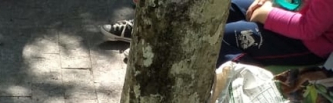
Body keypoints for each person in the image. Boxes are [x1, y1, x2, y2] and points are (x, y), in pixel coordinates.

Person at [102, 0, 333, 67]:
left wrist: (267, 15)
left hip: (307, 43)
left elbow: (309, 28)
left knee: (217, 39)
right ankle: (156, 33)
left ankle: (233, 88)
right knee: (219, 5)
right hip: (287, 11)